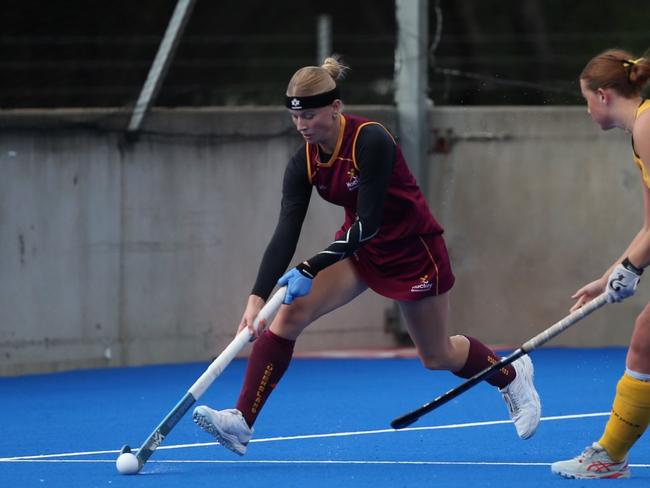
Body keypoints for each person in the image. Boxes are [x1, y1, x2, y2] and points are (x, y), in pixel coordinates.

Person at [192, 56, 541, 455]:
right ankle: (241, 422)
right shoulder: (303, 162)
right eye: (296, 117)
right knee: (287, 316)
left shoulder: (370, 139)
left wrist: (310, 266)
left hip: (412, 250)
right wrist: (256, 297)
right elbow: (286, 230)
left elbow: (371, 222)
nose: (303, 126)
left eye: (311, 115)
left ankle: (511, 374)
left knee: (436, 355)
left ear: (336, 107)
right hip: (359, 250)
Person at [551, 49, 650, 480]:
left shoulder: (648, 126)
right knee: (646, 339)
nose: (587, 109)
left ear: (604, 95)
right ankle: (610, 456)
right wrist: (611, 274)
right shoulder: (640, 131)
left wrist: (631, 268)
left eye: (586, 99)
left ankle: (609, 456)